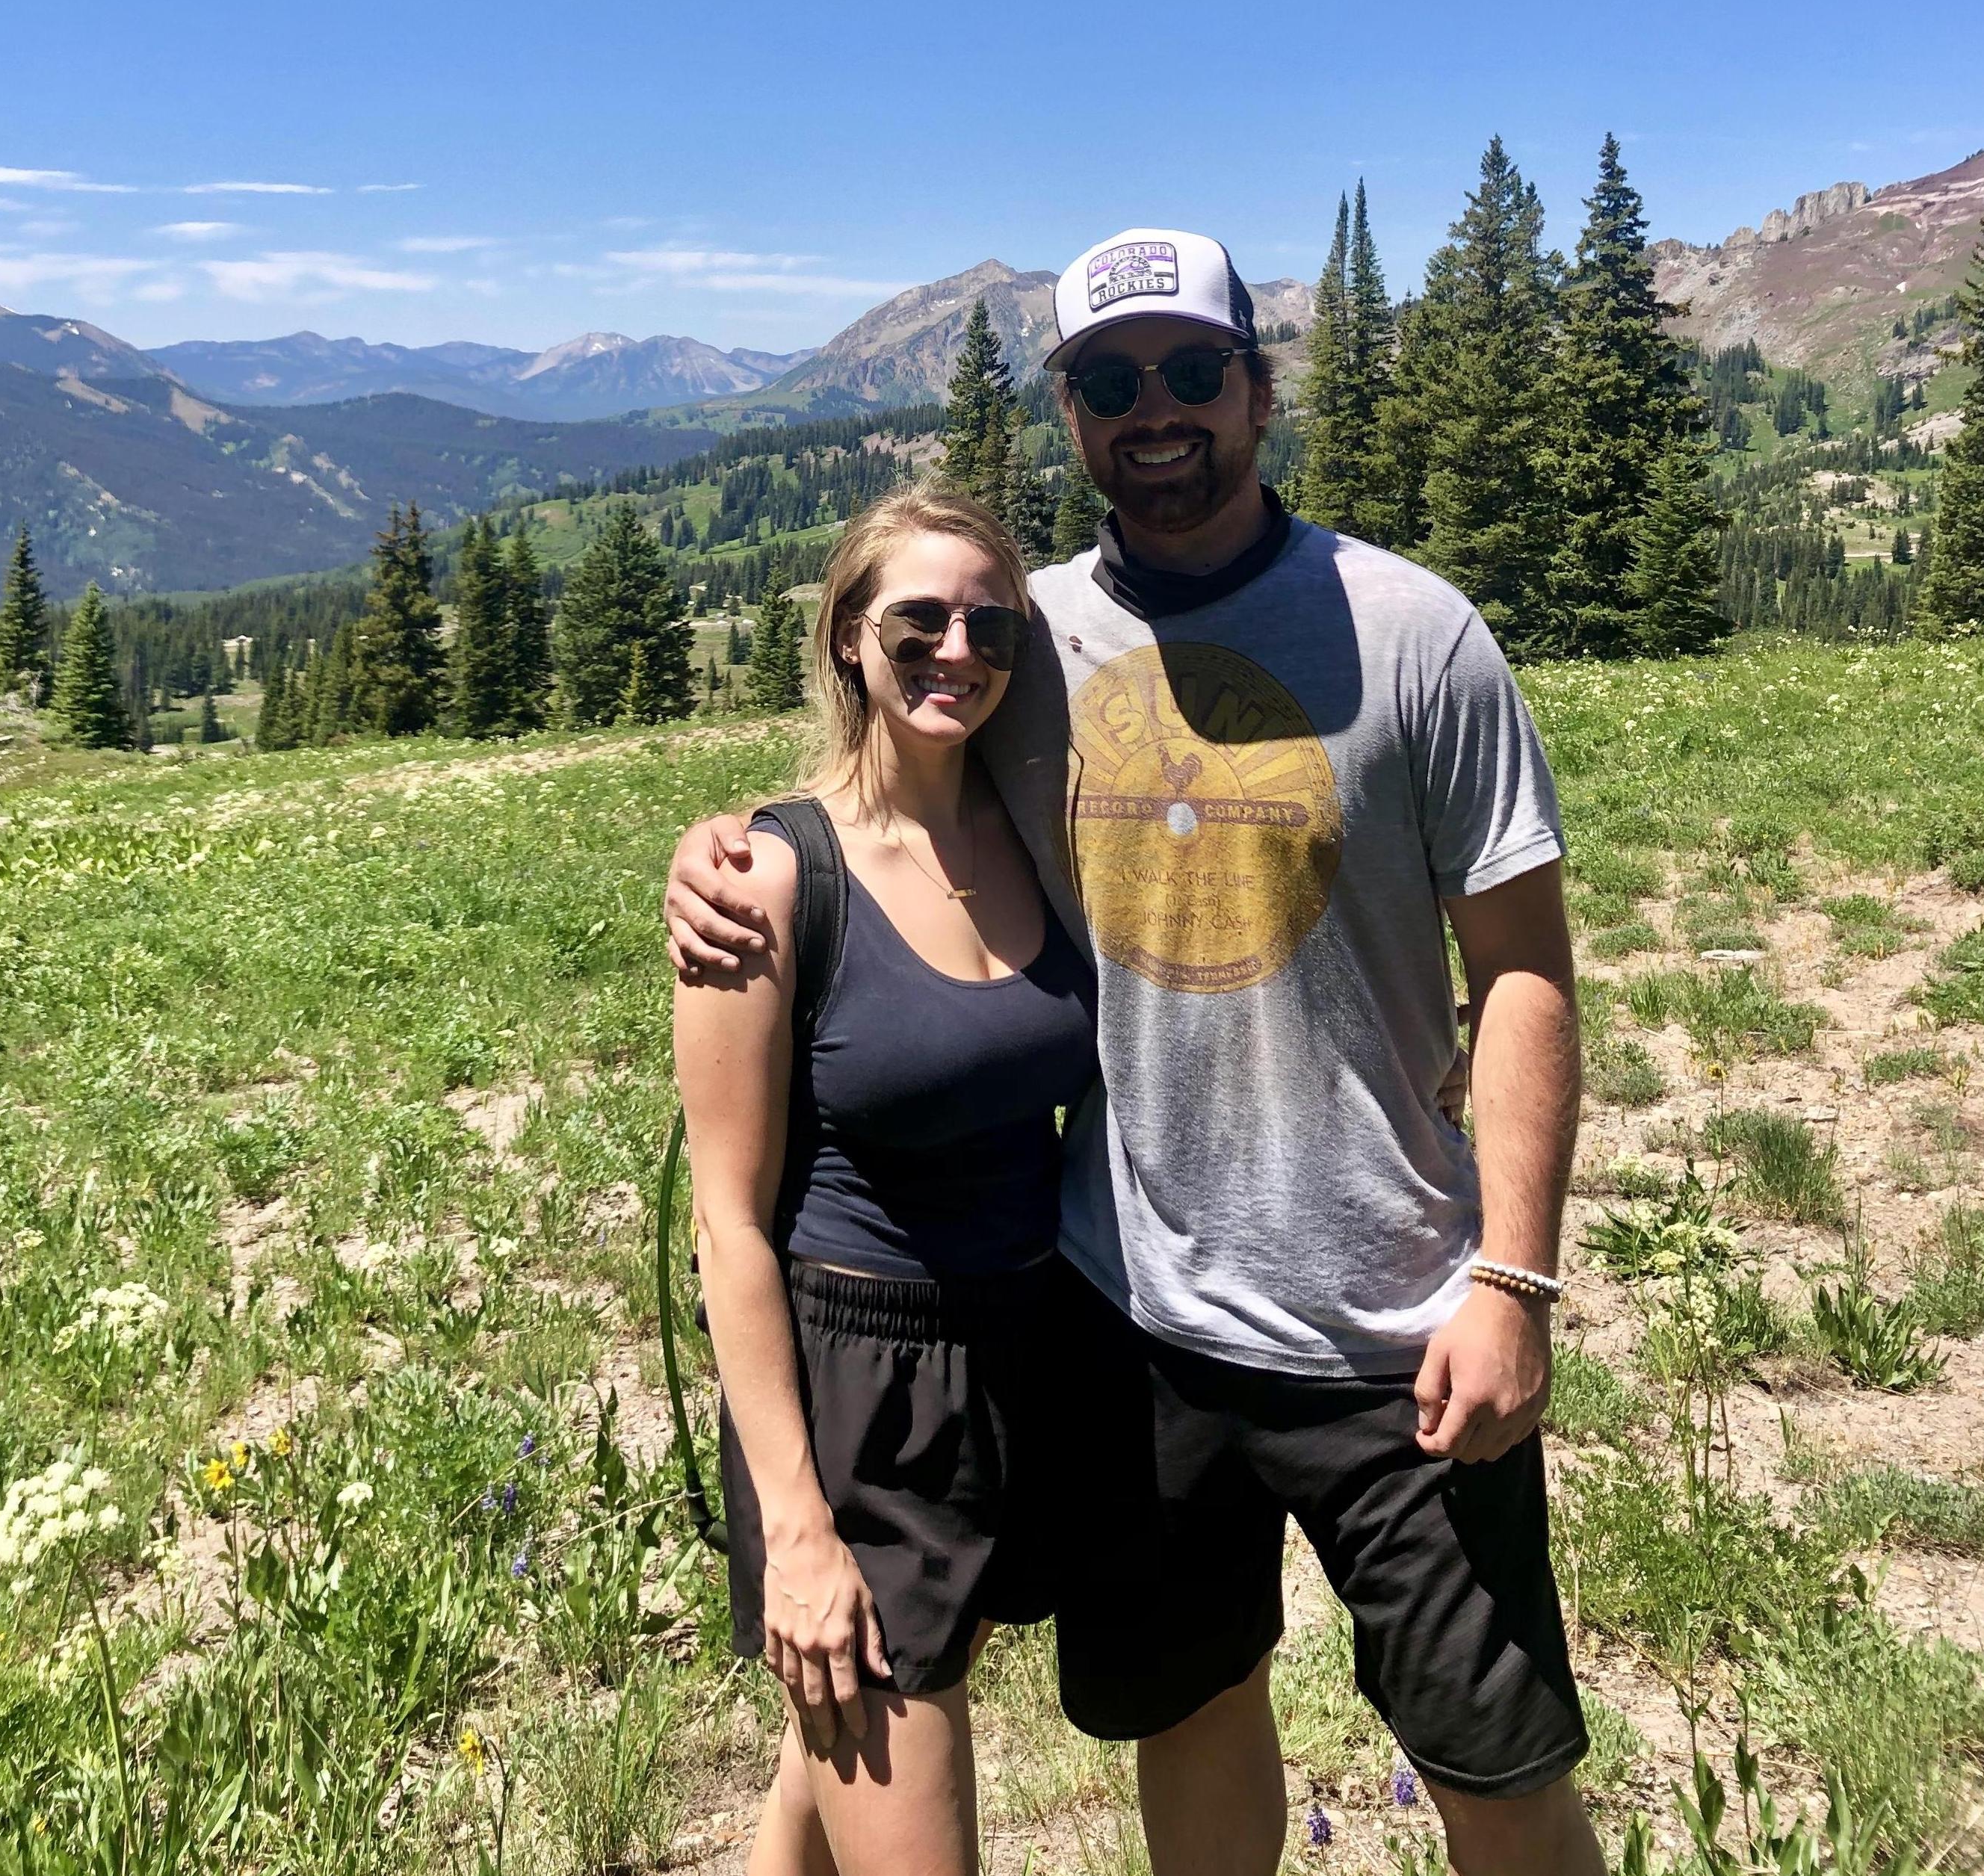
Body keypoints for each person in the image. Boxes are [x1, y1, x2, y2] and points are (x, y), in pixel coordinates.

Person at [668, 229, 1605, 1875]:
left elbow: (1524, 971)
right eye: (1111, 381)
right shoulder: (1026, 642)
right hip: (1135, 1321)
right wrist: (722, 846)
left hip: (1403, 1324)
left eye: (1192, 373)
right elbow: (888, 770)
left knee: (1497, 1762)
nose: (1155, 411)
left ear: (1256, 388)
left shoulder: (1417, 633)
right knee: (1191, 1708)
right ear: (1074, 414)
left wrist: (1514, 1277)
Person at [672, 485, 1098, 1876]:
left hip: (1020, 1348)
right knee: (904, 1796)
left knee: (831, 1752)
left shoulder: (1043, 834)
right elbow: (728, 1225)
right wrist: (797, 1529)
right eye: (917, 619)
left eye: (991, 624)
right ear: (849, 636)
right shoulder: (770, 880)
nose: (957, 650)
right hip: (862, 1391)